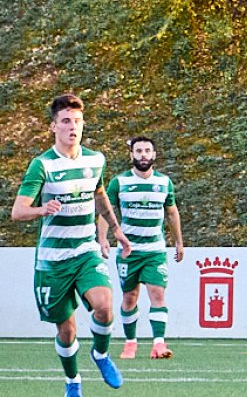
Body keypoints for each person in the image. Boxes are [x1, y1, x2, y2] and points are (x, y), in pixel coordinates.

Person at [11, 93, 132, 397]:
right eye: (65, 121)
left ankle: (101, 355)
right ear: (53, 127)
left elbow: (100, 194)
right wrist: (42, 209)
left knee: (104, 306)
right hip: (52, 261)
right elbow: (18, 211)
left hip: (85, 251)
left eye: (77, 121)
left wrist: (116, 230)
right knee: (67, 331)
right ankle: (73, 381)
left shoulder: (96, 159)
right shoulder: (42, 165)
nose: (72, 127)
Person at [108, 136, 184, 360]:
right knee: (130, 296)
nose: (143, 154)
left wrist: (179, 241)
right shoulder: (119, 182)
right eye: (138, 151)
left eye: (147, 151)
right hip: (129, 251)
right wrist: (102, 238)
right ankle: (130, 343)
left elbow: (171, 212)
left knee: (158, 295)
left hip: (155, 251)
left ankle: (159, 344)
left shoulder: (164, 182)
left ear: (154, 155)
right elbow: (107, 211)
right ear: (131, 155)